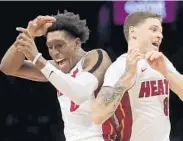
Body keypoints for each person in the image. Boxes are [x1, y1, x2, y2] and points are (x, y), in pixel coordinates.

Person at [0, 11, 116, 141]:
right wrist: (28, 34)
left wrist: (37, 58)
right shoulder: (55, 68)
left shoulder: (96, 56)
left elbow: (80, 93)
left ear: (77, 43)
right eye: (50, 47)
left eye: (59, 45)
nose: (54, 53)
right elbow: (8, 68)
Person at [92, 11, 183, 141]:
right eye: (153, 29)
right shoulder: (120, 67)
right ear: (133, 32)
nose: (160, 36)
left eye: (161, 31)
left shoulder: (161, 62)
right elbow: (98, 115)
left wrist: (166, 72)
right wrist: (127, 77)